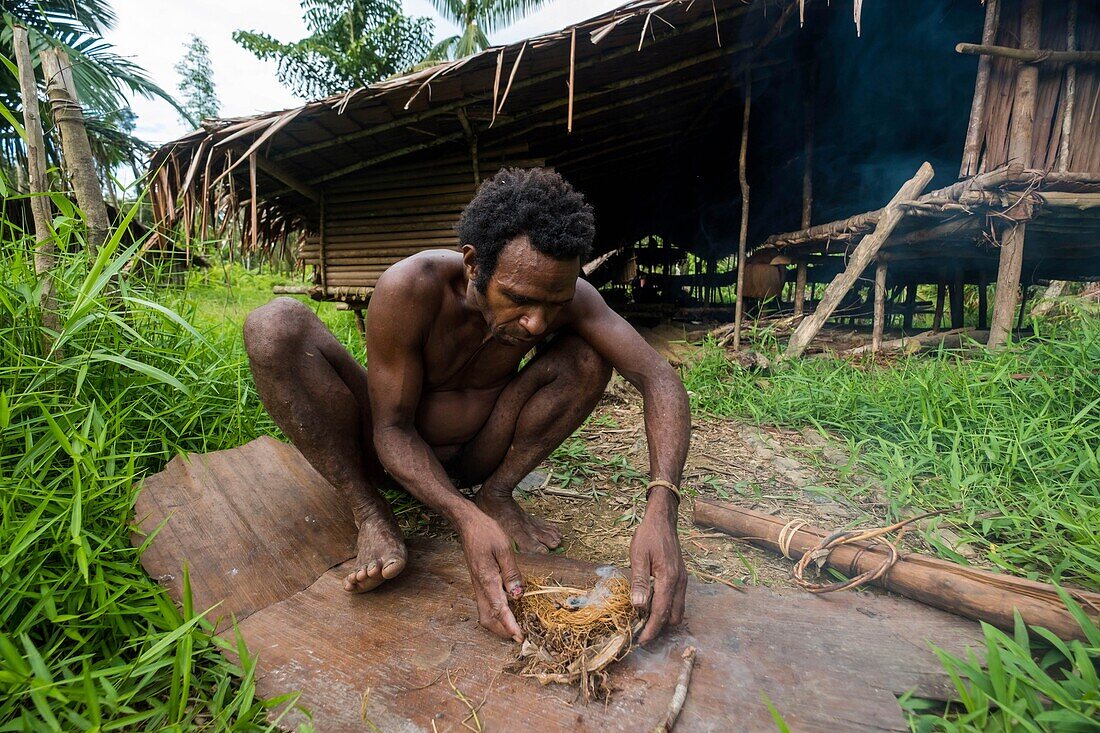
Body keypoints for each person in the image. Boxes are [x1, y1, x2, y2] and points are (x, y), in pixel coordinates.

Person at [243, 168, 690, 645]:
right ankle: (370, 512)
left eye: (555, 304)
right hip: (388, 451)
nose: (538, 324)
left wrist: (662, 504)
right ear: (474, 265)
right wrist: (462, 518)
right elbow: (392, 429)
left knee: (588, 356)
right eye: (518, 299)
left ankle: (495, 494)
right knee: (274, 326)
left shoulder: (570, 299)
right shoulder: (411, 288)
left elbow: (658, 378)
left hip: (482, 450)